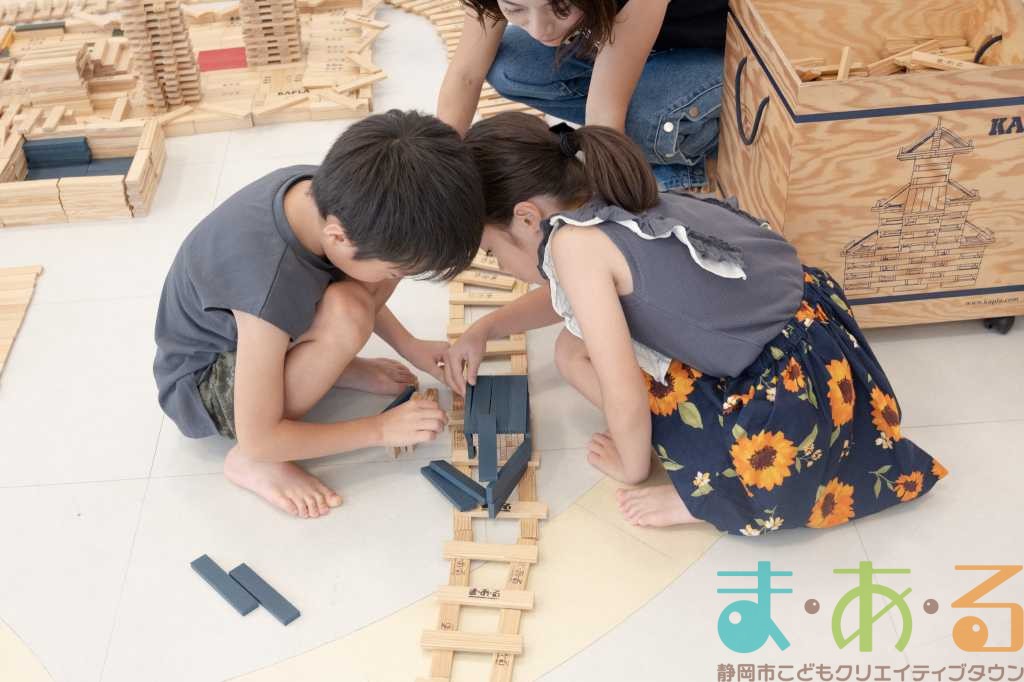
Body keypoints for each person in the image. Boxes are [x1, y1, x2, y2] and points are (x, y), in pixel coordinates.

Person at [443, 112, 947, 535]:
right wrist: (487, 328)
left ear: (527, 218)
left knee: (580, 361)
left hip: (792, 395)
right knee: (571, 348)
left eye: (492, 250)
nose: (500, 265)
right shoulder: (597, 191)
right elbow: (575, 299)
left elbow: (623, 390)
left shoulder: (572, 247)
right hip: (816, 335)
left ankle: (711, 492)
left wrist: (633, 466)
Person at [154, 110, 484, 519]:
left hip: (260, 331)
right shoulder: (267, 286)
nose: (395, 280)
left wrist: (410, 346)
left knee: (358, 295)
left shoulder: (332, 194)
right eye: (395, 271)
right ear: (338, 237)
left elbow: (350, 273)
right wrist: (379, 429)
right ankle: (250, 465)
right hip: (204, 383)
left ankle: (326, 363)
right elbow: (259, 436)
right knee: (349, 312)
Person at [437, 0, 727, 191]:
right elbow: (465, 75)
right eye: (515, 9)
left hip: (712, 51)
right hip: (639, 45)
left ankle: (678, 160)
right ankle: (651, 136)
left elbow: (605, 112)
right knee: (509, 67)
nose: (539, 30)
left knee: (644, 124)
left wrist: (606, 204)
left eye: (561, 6)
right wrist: (440, 165)